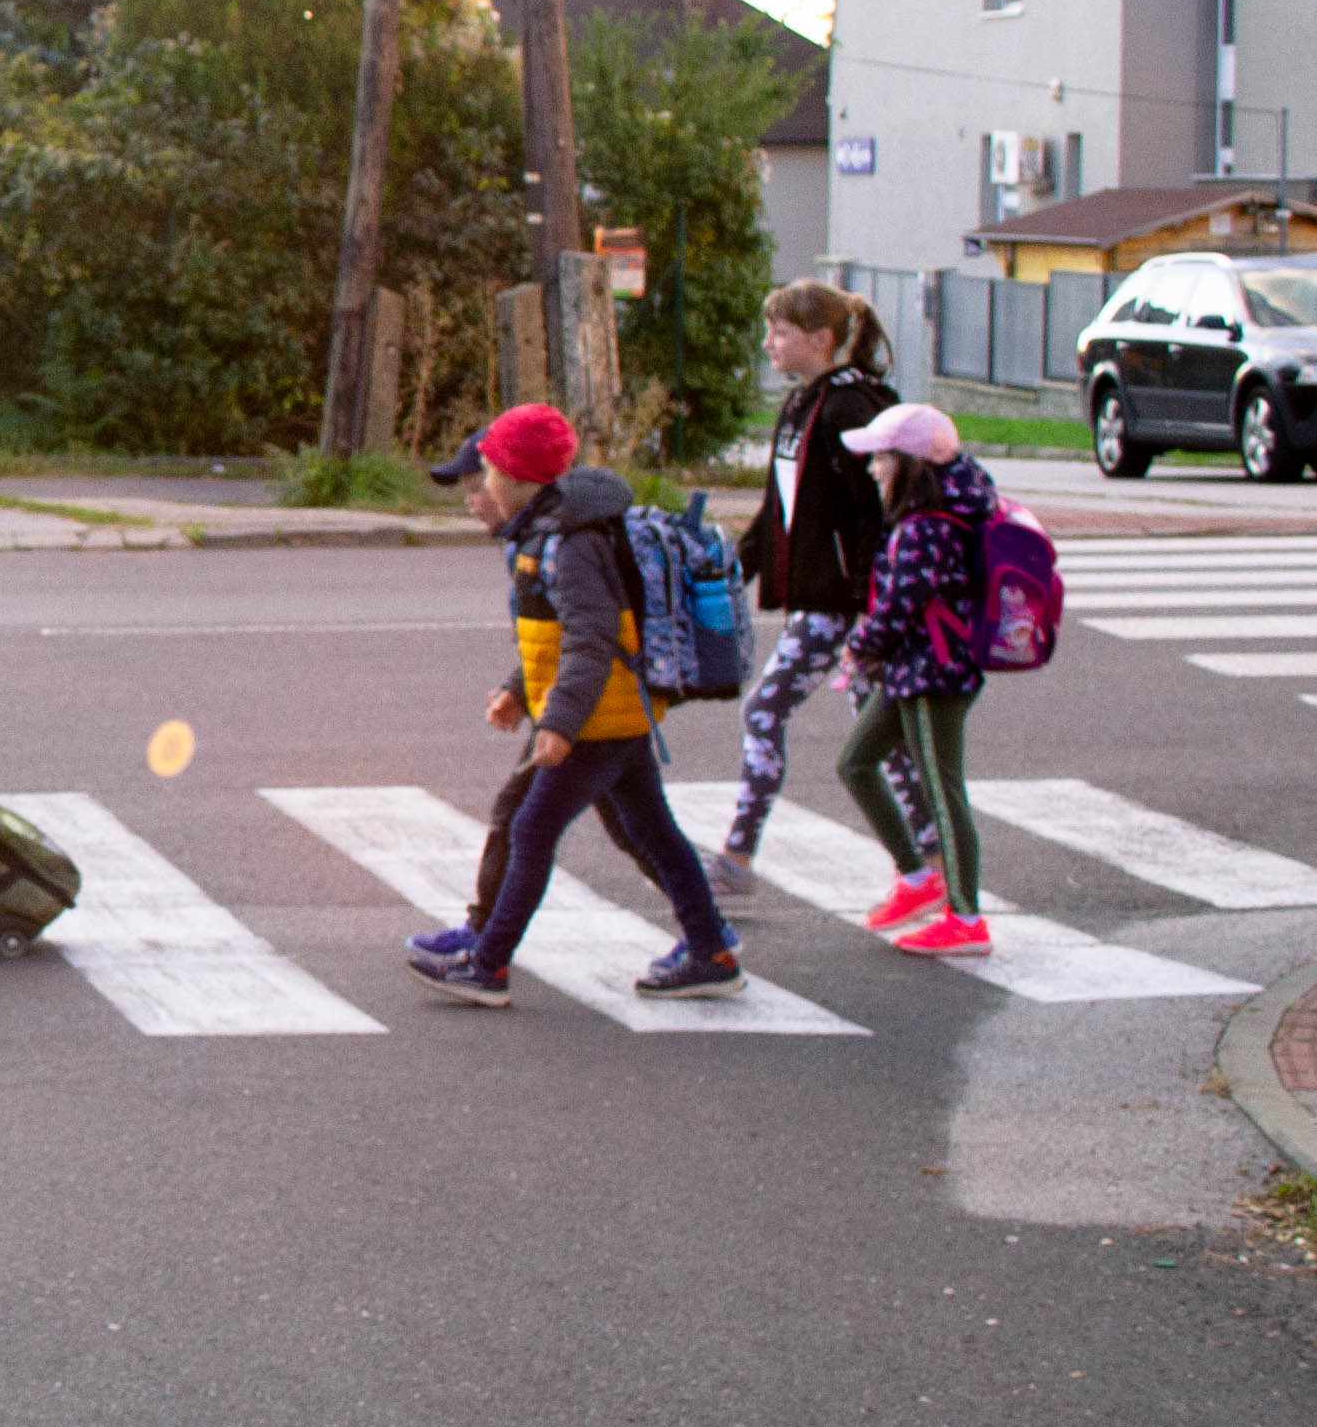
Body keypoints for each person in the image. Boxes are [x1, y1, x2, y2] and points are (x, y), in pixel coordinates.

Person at [407, 404, 740, 1009]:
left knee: (532, 828)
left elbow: (590, 639)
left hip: (597, 719)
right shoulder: (548, 533)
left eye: (488, 473)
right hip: (609, 709)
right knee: (650, 831)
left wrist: (559, 723)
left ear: (518, 477)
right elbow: (556, 635)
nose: (482, 485)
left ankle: (488, 965)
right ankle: (711, 950)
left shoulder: (571, 543)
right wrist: (519, 688)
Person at [719, 278, 921, 893]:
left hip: (842, 604)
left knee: (768, 710)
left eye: (780, 333)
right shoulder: (801, 406)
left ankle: (737, 857)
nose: (768, 344)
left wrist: (867, 605)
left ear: (821, 339)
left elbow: (875, 511)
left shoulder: (847, 407)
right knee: (877, 736)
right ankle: (930, 857)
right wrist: (732, 573)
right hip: (822, 598)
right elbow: (778, 509)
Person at [837, 404, 1000, 958]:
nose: (873, 469)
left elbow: (901, 604)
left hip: (935, 673)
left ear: (909, 463)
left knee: (942, 792)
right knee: (855, 763)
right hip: (913, 668)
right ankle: (916, 878)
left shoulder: (928, 526)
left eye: (881, 458)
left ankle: (967, 918)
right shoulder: (937, 513)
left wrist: (859, 646)